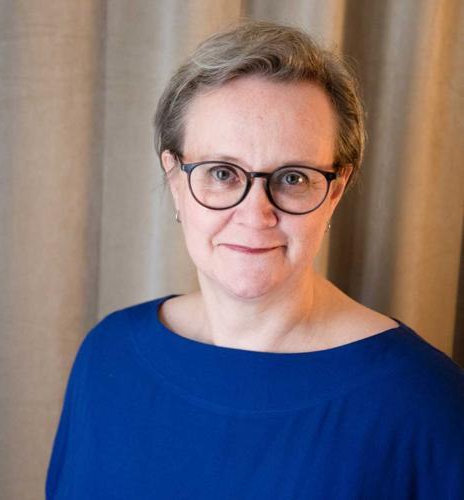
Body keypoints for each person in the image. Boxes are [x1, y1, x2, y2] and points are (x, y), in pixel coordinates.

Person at [46, 20, 464, 499]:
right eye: (222, 173)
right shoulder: (107, 357)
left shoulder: (427, 402)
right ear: (176, 181)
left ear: (335, 193)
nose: (255, 214)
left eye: (293, 178)